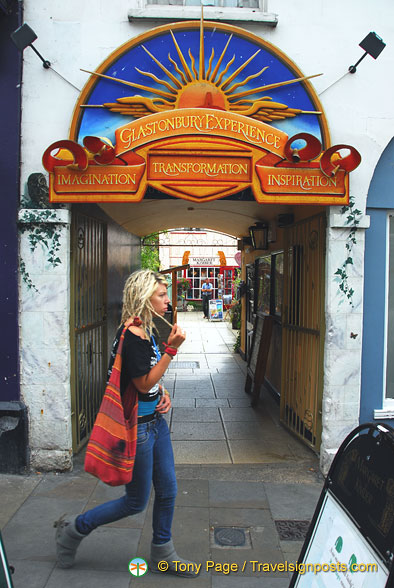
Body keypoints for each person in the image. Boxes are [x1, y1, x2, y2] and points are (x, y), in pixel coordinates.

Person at [54, 269, 197, 578]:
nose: (166, 300)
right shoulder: (131, 336)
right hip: (138, 430)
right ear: (145, 298)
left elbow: (149, 378)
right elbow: (143, 383)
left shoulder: (148, 331)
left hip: (155, 423)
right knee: (135, 502)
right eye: (161, 295)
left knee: (169, 490)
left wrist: (164, 393)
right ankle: (73, 531)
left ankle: (163, 552)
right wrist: (172, 350)